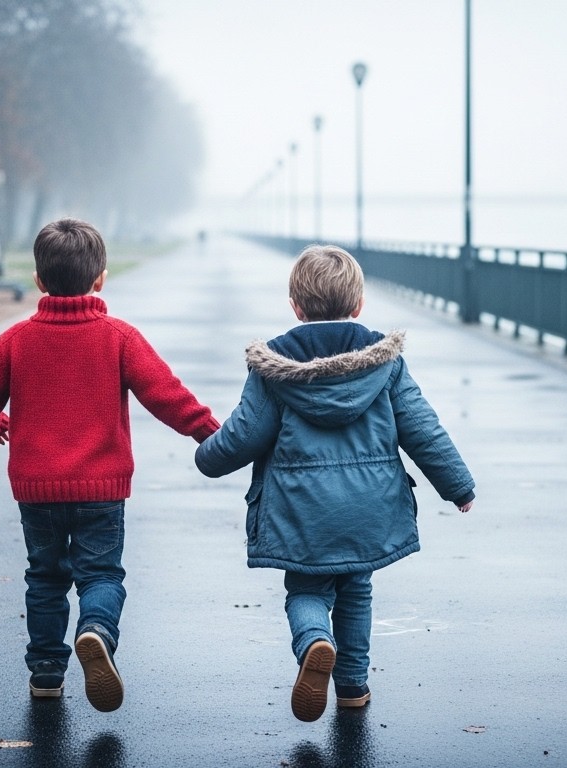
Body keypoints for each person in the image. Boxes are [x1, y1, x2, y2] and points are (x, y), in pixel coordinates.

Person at [195, 244, 475, 722]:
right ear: (358, 305)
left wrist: (207, 457)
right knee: (357, 589)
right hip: (370, 507)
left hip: (301, 511)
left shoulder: (273, 369)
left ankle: (313, 643)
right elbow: (421, 427)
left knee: (307, 591)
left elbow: (246, 434)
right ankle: (351, 688)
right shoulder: (384, 363)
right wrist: (458, 485)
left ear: (296, 307)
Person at [0, 218, 219, 709]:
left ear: (39, 279)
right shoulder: (118, 337)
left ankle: (45, 673)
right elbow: (165, 395)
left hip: (36, 489)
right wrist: (211, 432)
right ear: (100, 277)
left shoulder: (17, 340)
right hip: (102, 489)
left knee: (45, 577)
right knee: (101, 575)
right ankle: (97, 630)